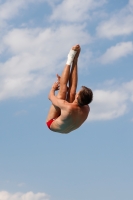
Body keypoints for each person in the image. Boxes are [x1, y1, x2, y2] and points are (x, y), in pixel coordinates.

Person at [46, 44, 93, 134]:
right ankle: (75, 60)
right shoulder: (86, 107)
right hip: (66, 123)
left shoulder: (68, 107)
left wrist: (53, 88)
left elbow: (50, 97)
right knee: (71, 92)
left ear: (78, 97)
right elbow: (73, 92)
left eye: (77, 94)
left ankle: (69, 58)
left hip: (52, 123)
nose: (76, 93)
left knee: (62, 92)